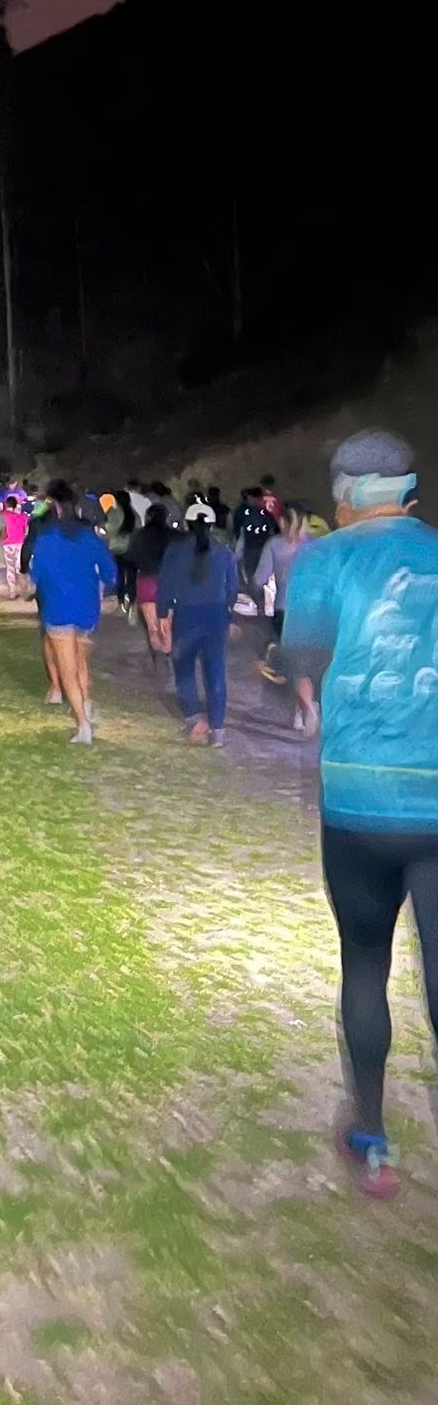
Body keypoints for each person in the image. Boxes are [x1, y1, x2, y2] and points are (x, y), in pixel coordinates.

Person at [284, 429, 438, 1200]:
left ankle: (373, 1137)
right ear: (408, 492)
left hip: (359, 800)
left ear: (346, 496)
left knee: (367, 966)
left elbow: (303, 659)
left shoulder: (325, 559)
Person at [28, 484, 116, 741]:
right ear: (77, 507)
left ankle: (83, 724)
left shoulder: (46, 539)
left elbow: (38, 575)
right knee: (82, 661)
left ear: (54, 507)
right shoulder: (90, 537)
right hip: (87, 607)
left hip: (57, 607)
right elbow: (110, 572)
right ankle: (86, 703)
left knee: (67, 668)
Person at [156, 501, 238, 745]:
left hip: (186, 615)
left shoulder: (175, 550)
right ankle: (218, 730)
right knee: (215, 672)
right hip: (216, 616)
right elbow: (232, 589)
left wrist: (163, 614)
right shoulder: (224, 552)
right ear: (212, 525)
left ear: (187, 524)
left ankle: (194, 717)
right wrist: (227, 612)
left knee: (183, 669)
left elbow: (165, 585)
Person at [255, 501, 314, 686]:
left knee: (281, 662)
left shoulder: (275, 545)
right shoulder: (318, 545)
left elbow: (259, 579)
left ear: (283, 521)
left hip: (284, 610)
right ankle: (306, 706)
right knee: (305, 665)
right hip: (312, 612)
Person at [126, 502, 175, 655]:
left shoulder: (138, 535)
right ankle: (168, 658)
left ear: (148, 517)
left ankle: (157, 664)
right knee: (167, 625)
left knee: (152, 627)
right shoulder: (174, 536)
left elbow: (131, 564)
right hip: (169, 584)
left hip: (146, 583)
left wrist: (131, 592)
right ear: (166, 517)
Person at [233, 486, 278, 585]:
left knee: (253, 575)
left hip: (257, 548)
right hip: (253, 548)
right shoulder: (243, 512)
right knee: (254, 575)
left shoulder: (244, 512)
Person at [104, 488, 139, 615]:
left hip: (118, 549)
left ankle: (121, 605)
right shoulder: (134, 514)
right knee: (132, 577)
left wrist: (102, 530)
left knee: (120, 576)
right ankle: (133, 603)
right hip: (133, 548)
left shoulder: (114, 512)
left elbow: (109, 529)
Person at [1, 495, 28, 598]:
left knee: (10, 568)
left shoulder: (2, 516)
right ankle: (24, 588)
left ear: (6, 504)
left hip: (7, 543)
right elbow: (25, 531)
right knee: (19, 567)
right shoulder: (22, 517)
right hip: (19, 543)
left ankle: (12, 591)